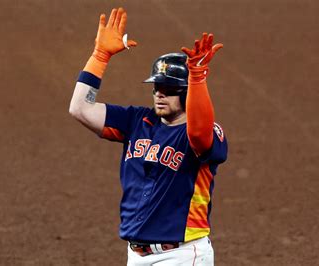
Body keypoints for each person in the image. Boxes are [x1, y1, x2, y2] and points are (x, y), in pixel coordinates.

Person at [69, 7, 227, 266]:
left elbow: (199, 134)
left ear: (187, 94)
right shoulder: (137, 121)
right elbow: (80, 108)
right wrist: (100, 56)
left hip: (182, 255)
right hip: (136, 255)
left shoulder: (205, 135)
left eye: (169, 89)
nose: (159, 94)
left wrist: (197, 78)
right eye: (156, 87)